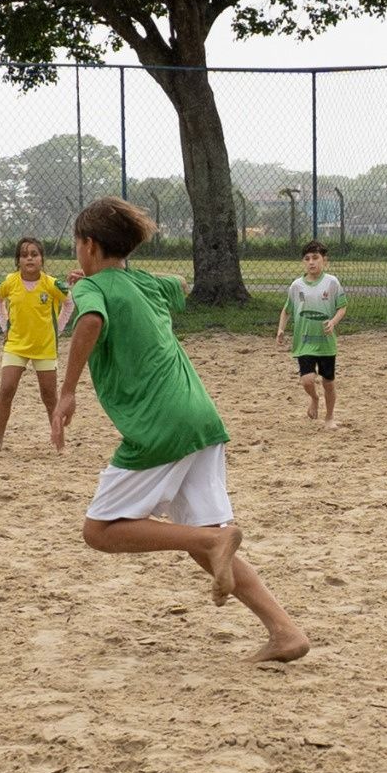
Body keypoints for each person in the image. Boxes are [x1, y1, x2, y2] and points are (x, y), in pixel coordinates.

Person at [49, 198, 310, 663]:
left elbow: (89, 319)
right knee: (204, 541)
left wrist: (67, 391)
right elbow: (181, 284)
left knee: (99, 531)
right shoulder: (146, 283)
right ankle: (285, 632)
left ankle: (212, 541)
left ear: (88, 245)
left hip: (159, 425)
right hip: (200, 417)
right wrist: (109, 277)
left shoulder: (92, 289)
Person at [0, 236, 68, 449]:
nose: (29, 259)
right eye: (24, 255)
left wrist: (58, 329)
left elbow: (69, 303)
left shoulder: (51, 284)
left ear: (42, 259)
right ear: (18, 261)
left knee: (49, 395)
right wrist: (4, 326)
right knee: (6, 389)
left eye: (34, 254)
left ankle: (59, 443)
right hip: (16, 344)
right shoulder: (10, 282)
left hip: (44, 347)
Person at [276, 241, 349, 427]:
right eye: (307, 259)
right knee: (307, 380)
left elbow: (342, 307)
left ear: (324, 260)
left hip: (326, 343)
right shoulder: (296, 286)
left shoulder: (331, 282)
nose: (311, 262)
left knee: (328, 383)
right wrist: (281, 329)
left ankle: (329, 417)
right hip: (304, 341)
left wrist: (333, 322)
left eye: (315, 258)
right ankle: (314, 399)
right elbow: (287, 310)